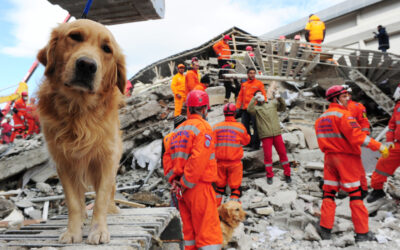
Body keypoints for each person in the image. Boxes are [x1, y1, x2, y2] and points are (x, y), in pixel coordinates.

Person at [314, 85, 388, 242]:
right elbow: (358, 137)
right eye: (344, 96)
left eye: (347, 95)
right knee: (355, 195)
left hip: (329, 159)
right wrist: (379, 146)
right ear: (336, 99)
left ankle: (325, 228)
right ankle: (362, 233)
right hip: (347, 159)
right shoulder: (344, 116)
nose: (347, 98)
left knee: (329, 193)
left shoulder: (321, 119)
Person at [163, 90, 223, 249]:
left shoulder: (176, 132)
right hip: (198, 187)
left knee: (188, 233)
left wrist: (175, 180)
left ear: (188, 109)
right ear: (204, 109)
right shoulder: (203, 128)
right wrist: (185, 182)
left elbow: (167, 158)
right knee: (208, 232)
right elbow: (198, 159)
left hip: (181, 192)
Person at [247, 89, 290, 184]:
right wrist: (254, 98)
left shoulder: (272, 104)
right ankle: (269, 176)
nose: (259, 96)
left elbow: (283, 107)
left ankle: (287, 174)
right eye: (257, 95)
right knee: (268, 157)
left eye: (260, 94)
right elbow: (249, 109)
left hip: (277, 134)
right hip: (266, 135)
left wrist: (279, 98)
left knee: (283, 154)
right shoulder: (256, 108)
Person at [367, 83, 400, 203]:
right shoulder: (398, 106)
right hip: (397, 144)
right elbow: (392, 125)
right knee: (382, 165)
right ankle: (377, 190)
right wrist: (390, 139)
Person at [213, 103, 250, 206]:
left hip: (219, 163)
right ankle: (233, 213)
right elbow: (246, 141)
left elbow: (212, 144)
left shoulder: (216, 128)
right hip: (235, 163)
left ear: (224, 114)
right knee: (235, 189)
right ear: (234, 113)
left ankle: (216, 212)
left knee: (219, 188)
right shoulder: (240, 127)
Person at [343, 85, 371, 198]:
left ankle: (363, 189)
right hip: (341, 142)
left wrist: (363, 137)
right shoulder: (336, 108)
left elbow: (364, 122)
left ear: (350, 95)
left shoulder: (358, 107)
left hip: (355, 141)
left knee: (358, 167)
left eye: (347, 94)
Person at [236, 68, 267, 151]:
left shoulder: (259, 84)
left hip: (255, 109)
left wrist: (264, 105)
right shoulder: (244, 84)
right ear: (247, 74)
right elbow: (240, 96)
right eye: (250, 73)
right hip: (245, 109)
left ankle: (256, 145)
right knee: (245, 127)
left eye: (253, 73)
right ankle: (248, 143)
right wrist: (238, 107)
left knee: (256, 127)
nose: (252, 74)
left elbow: (264, 95)